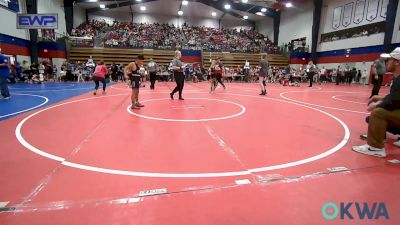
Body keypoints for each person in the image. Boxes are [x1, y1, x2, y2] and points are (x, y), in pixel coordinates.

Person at [352, 47, 400, 157]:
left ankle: (375, 148)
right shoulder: (397, 78)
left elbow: (395, 101)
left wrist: (378, 104)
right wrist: (380, 98)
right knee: (372, 118)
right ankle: (380, 136)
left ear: (397, 62)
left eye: (390, 60)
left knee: (378, 113)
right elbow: (397, 97)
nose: (387, 62)